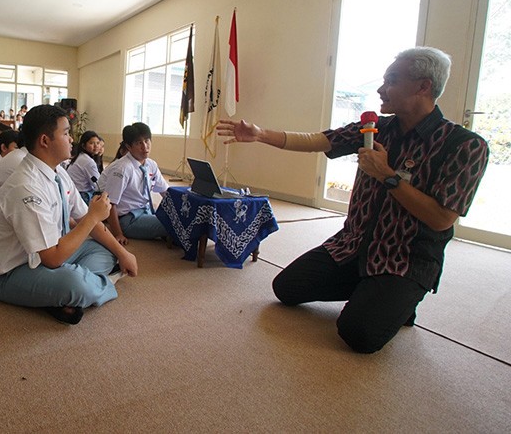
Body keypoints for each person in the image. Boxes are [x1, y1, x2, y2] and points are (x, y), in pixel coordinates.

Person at [217, 47, 489, 353]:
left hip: (404, 258)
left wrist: (387, 176)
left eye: (391, 80)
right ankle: (373, 292)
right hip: (354, 244)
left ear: (423, 86)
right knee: (286, 288)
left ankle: (398, 298)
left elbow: (441, 219)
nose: (380, 89)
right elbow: (320, 140)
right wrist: (259, 134)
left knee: (358, 334)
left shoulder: (465, 146)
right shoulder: (374, 128)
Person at [0, 104, 138, 325]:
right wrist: (94, 215)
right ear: (45, 141)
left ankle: (61, 295)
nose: (72, 139)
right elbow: (53, 257)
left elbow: (82, 220)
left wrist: (122, 253)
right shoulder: (25, 186)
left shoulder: (58, 172)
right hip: (13, 271)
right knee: (76, 284)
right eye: (65, 133)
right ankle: (87, 288)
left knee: (106, 250)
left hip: (50, 255)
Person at [98, 122, 169, 244]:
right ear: (128, 147)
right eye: (138, 143)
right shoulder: (122, 168)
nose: (144, 147)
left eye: (147, 141)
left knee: (179, 221)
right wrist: (118, 234)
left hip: (146, 211)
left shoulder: (151, 164)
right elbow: (110, 204)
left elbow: (165, 192)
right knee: (171, 225)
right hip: (129, 218)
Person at [66, 131, 103, 204]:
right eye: (92, 143)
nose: (96, 146)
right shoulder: (88, 161)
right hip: (82, 195)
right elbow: (98, 185)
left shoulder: (81, 156)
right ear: (83, 146)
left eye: (98, 143)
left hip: (73, 192)